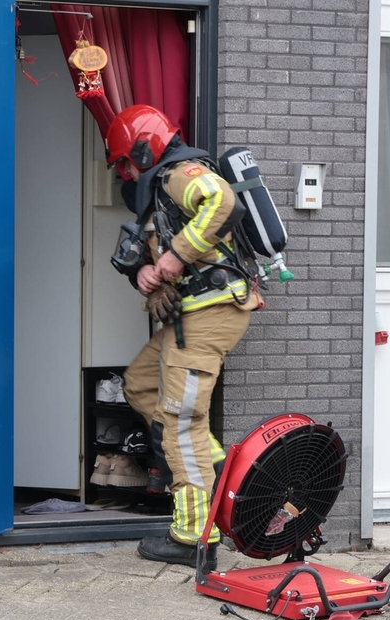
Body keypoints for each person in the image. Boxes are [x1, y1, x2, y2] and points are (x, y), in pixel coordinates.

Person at [104, 104, 262, 570]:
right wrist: (147, 275)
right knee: (141, 384)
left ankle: (195, 536)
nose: (126, 174)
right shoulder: (160, 188)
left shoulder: (179, 173)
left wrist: (174, 257)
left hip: (209, 317)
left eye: (125, 163)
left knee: (180, 424)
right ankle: (216, 470)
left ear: (143, 148)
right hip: (190, 318)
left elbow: (222, 202)